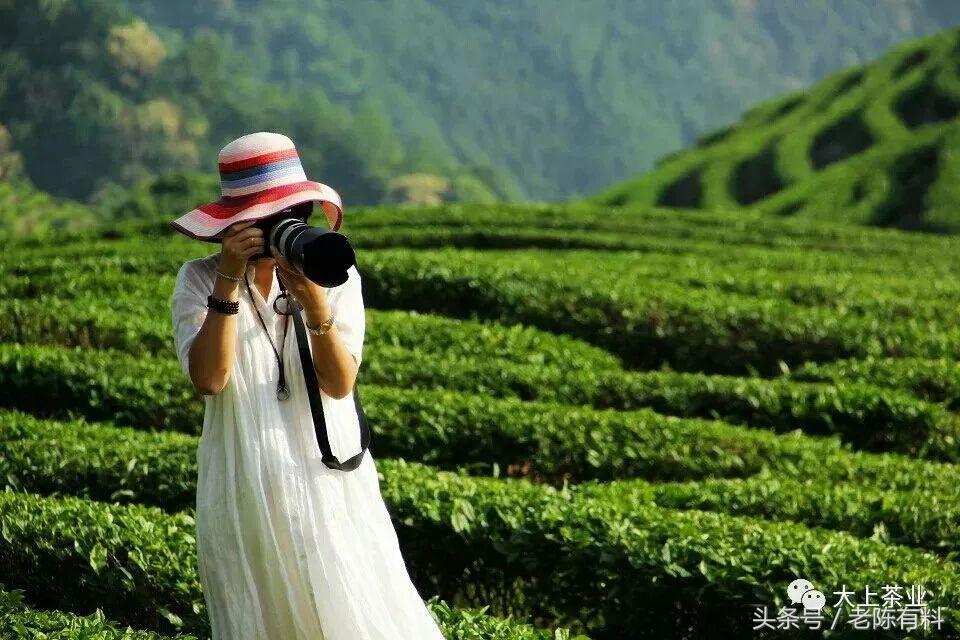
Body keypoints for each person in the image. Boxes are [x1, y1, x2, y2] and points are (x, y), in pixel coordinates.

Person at [169, 131, 446, 639]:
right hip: (248, 479)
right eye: (264, 218)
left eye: (289, 213)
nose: (280, 228)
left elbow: (339, 385)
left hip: (327, 474)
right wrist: (228, 279)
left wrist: (317, 306)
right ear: (235, 223)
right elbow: (210, 379)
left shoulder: (333, 272)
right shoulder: (199, 279)